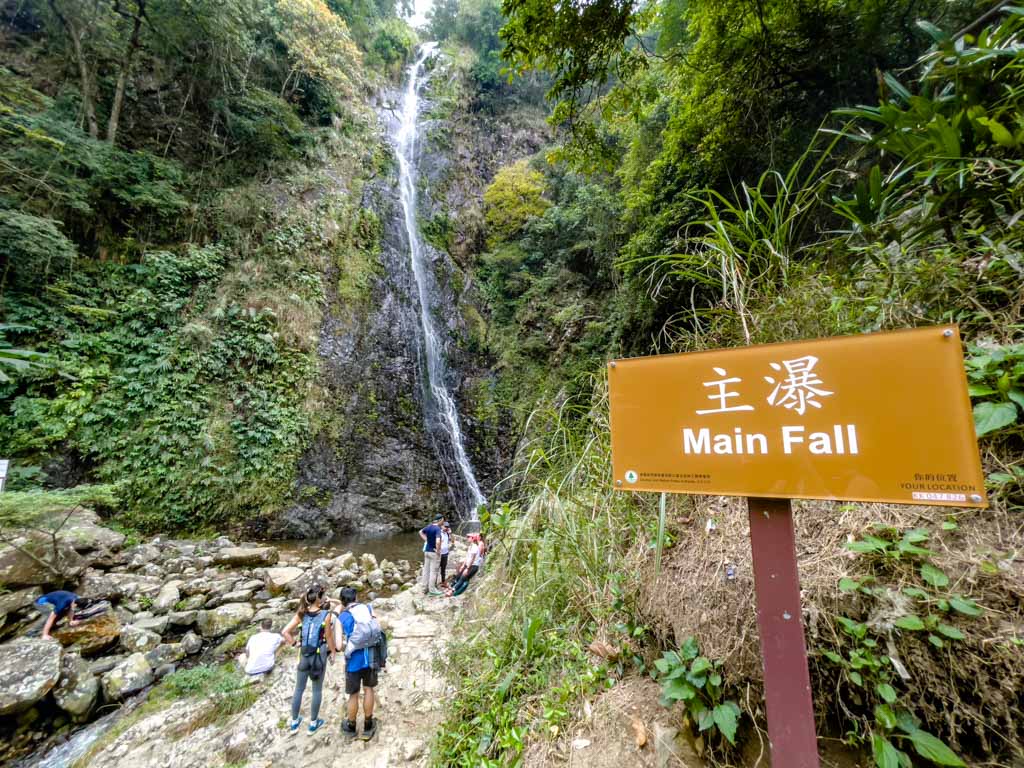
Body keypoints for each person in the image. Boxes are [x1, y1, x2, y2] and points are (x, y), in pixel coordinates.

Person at [282, 584, 336, 734]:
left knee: (298, 689)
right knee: (317, 690)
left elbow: (285, 632)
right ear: (319, 599)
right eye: (324, 596)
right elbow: (329, 637)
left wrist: (294, 643)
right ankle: (313, 724)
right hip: (318, 656)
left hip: (303, 655)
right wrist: (333, 652)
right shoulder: (326, 614)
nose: (325, 598)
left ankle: (294, 723)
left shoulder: (301, 613)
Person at [336, 587, 378, 740]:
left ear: (342, 601)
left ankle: (351, 726)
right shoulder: (367, 608)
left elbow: (339, 645)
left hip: (353, 661)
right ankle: (368, 725)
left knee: (353, 694)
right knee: (369, 689)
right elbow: (375, 625)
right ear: (356, 598)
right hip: (371, 657)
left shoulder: (342, 618)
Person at [448, 533, 486, 597]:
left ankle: (452, 591)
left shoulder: (475, 547)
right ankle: (452, 586)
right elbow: (467, 557)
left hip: (473, 566)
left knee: (463, 577)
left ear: (473, 539)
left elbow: (472, 559)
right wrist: (463, 565)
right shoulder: (470, 546)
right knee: (459, 574)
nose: (467, 538)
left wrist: (467, 568)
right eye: (468, 537)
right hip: (468, 564)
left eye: (469, 537)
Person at [419, 514, 444, 595]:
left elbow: (420, 532)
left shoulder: (429, 526)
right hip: (433, 553)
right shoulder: (437, 529)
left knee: (426, 570)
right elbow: (437, 541)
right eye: (443, 520)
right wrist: (438, 550)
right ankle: (432, 590)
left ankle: (424, 588)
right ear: (440, 520)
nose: (443, 521)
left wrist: (427, 541)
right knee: (433, 571)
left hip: (426, 551)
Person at [438, 521, 452, 586]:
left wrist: (450, 534)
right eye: (445, 526)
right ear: (442, 526)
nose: (446, 528)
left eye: (447, 527)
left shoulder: (447, 533)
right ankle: (433, 583)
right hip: (439, 554)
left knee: (443, 569)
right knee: (436, 568)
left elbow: (453, 541)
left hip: (445, 553)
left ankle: (443, 582)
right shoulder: (438, 533)